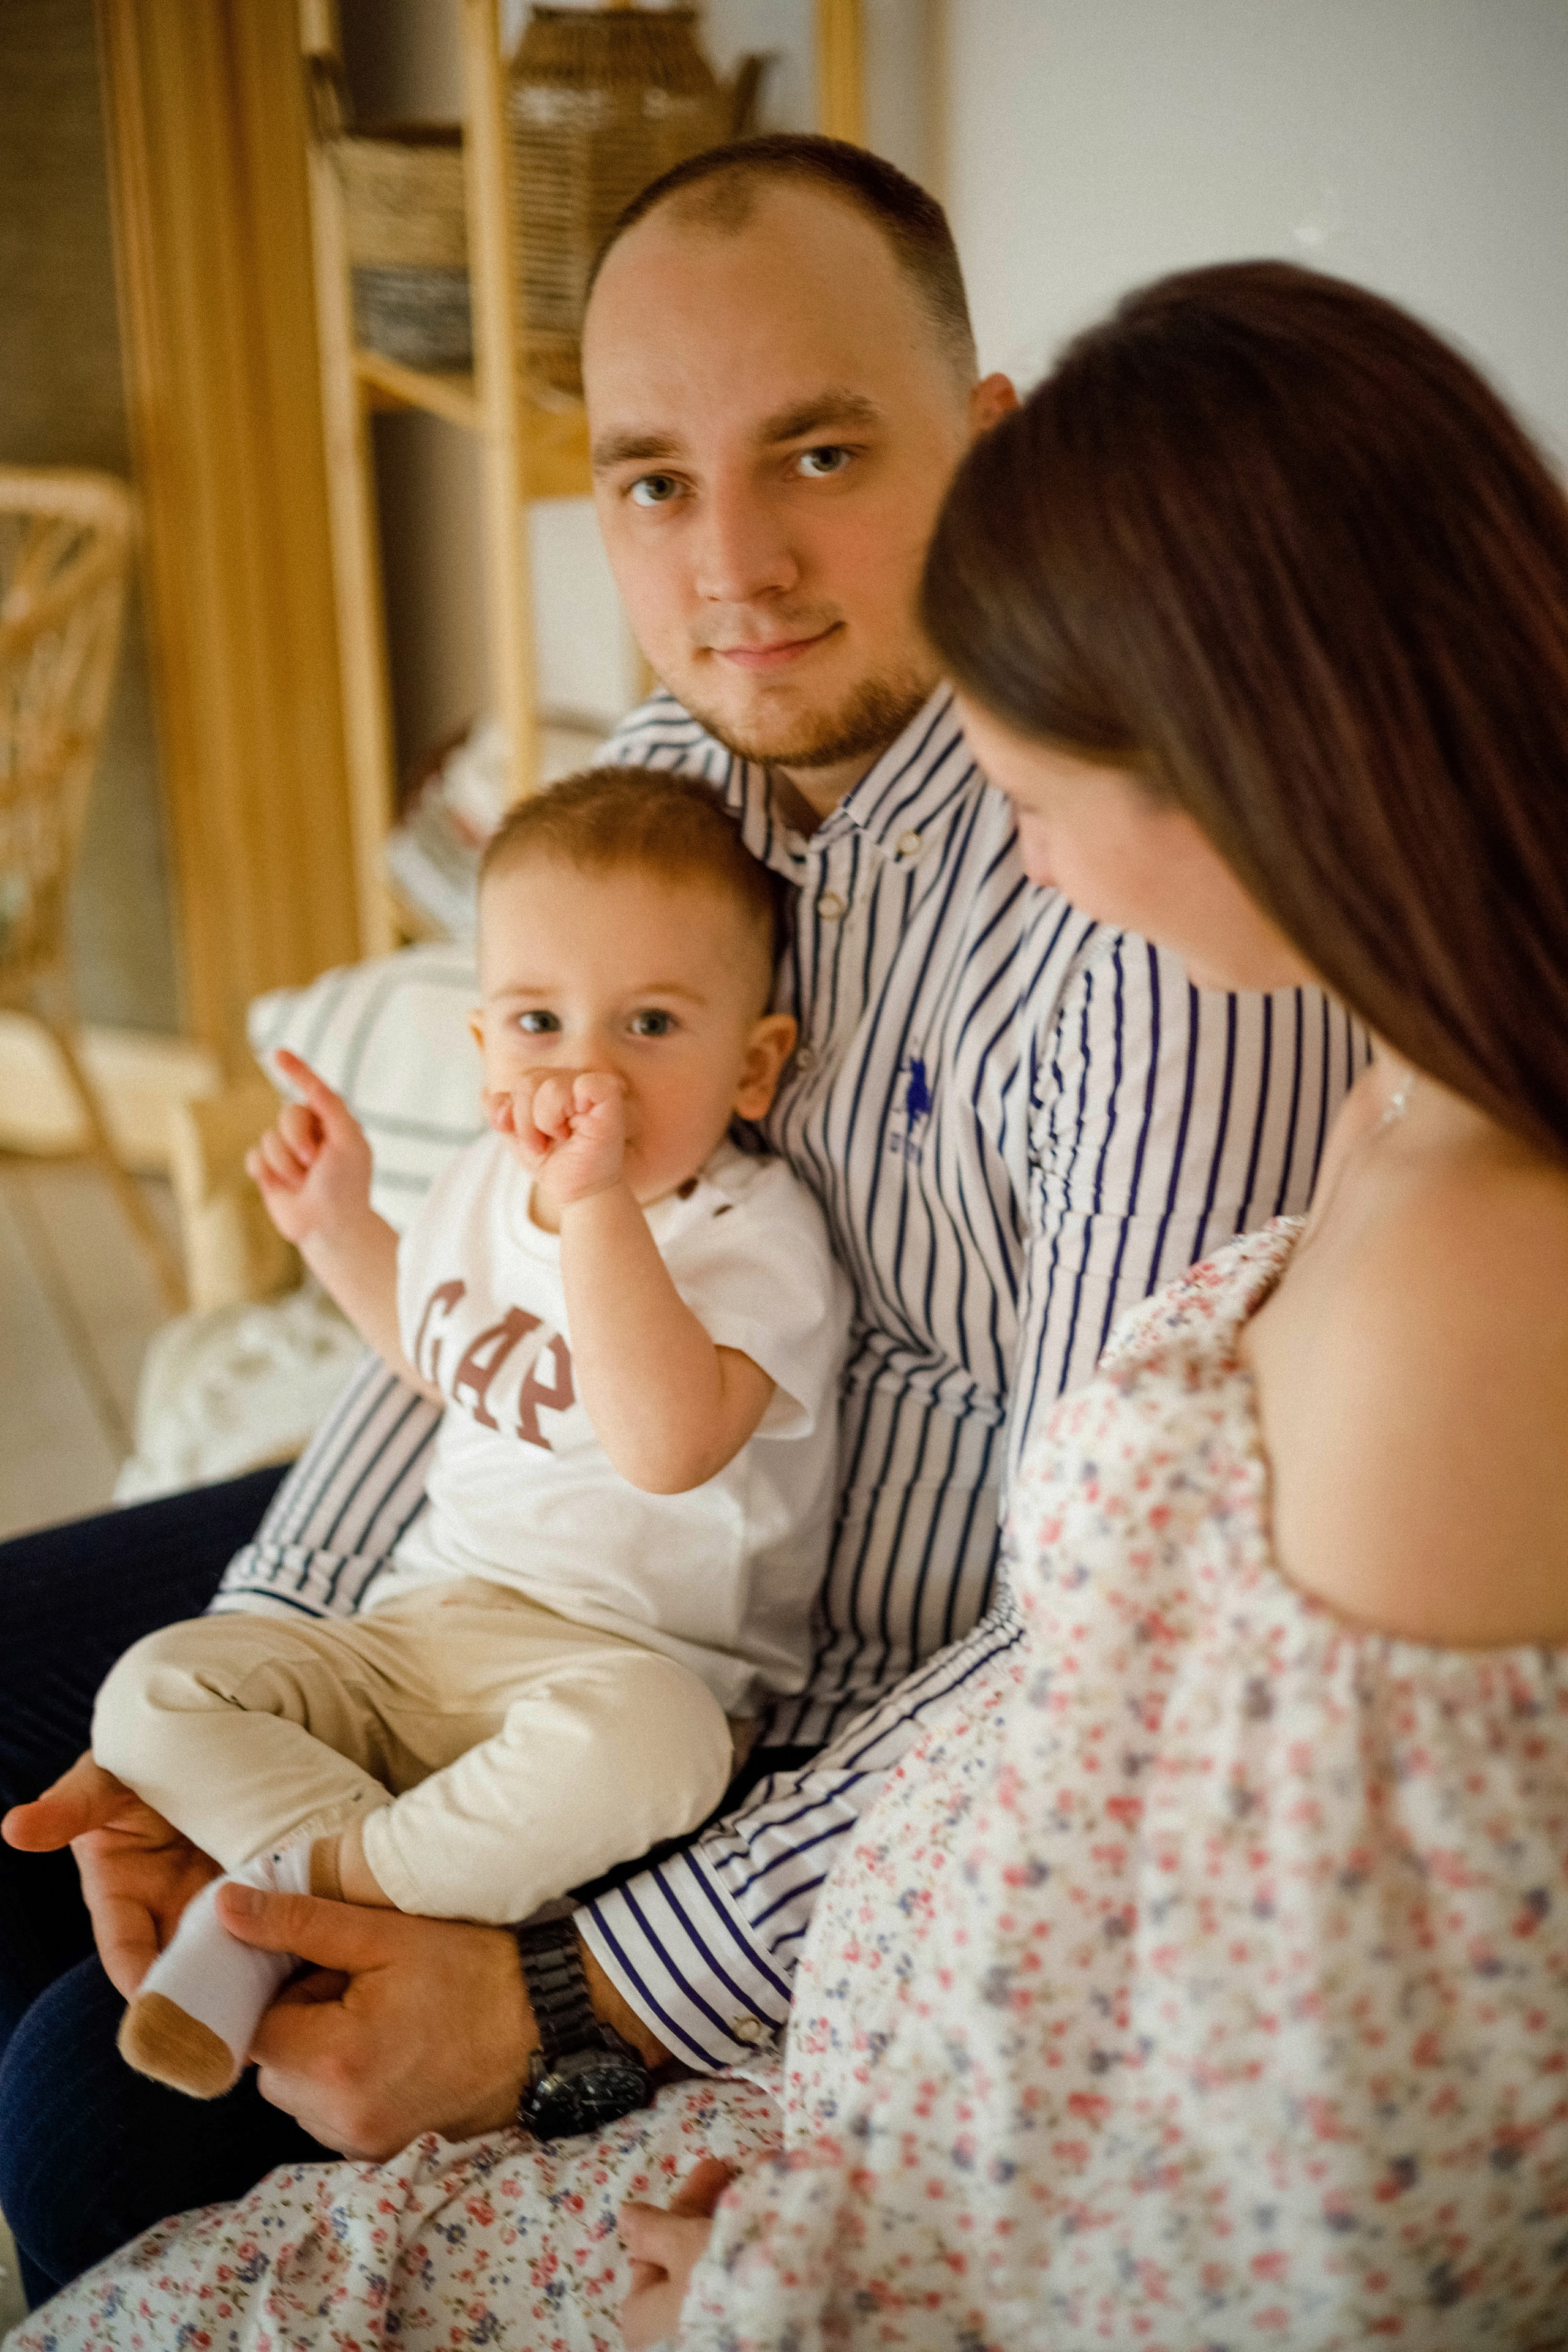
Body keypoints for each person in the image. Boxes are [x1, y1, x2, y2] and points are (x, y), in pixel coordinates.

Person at [21, 253, 1563, 2352]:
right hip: (530, 1597)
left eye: (821, 456)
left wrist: (579, 2007)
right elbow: (477, 1280)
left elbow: (1335, 2125)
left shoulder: (1266, 1069)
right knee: (64, 1731)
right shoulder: (701, 763)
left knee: (80, 2114)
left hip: (748, 1755)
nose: (728, 569)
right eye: (651, 480)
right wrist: (292, 1653)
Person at [79, 768, 848, 2101]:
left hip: (618, 1665)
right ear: (485, 1045)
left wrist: (597, 1206)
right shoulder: (482, 1187)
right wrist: (339, 1229)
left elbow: (667, 1445)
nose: (585, 1072)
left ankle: (302, 1887)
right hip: (416, 1629)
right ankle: (367, 1874)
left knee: (655, 1750)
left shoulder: (750, 1236)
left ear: (753, 1063)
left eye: (651, 1023)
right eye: (539, 1022)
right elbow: (434, 1351)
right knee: (147, 1693)